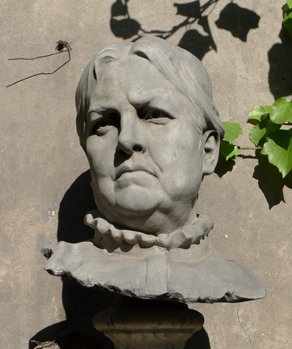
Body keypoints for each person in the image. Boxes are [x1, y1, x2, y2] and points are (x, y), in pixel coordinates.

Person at [43, 37, 265, 303]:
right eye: (104, 123)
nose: (126, 139)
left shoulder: (234, 279)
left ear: (208, 151)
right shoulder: (70, 262)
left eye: (153, 114)